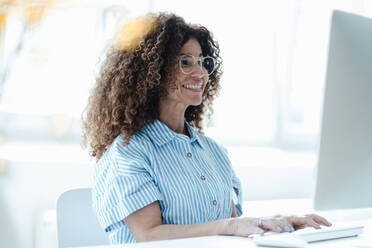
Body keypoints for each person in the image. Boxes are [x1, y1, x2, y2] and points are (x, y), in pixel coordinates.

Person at [82, 12, 331, 244]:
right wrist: (235, 226)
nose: (200, 72)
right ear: (151, 73)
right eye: (186, 62)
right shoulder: (128, 153)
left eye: (202, 62)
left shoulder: (213, 152)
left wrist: (278, 224)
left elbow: (231, 228)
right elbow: (149, 235)